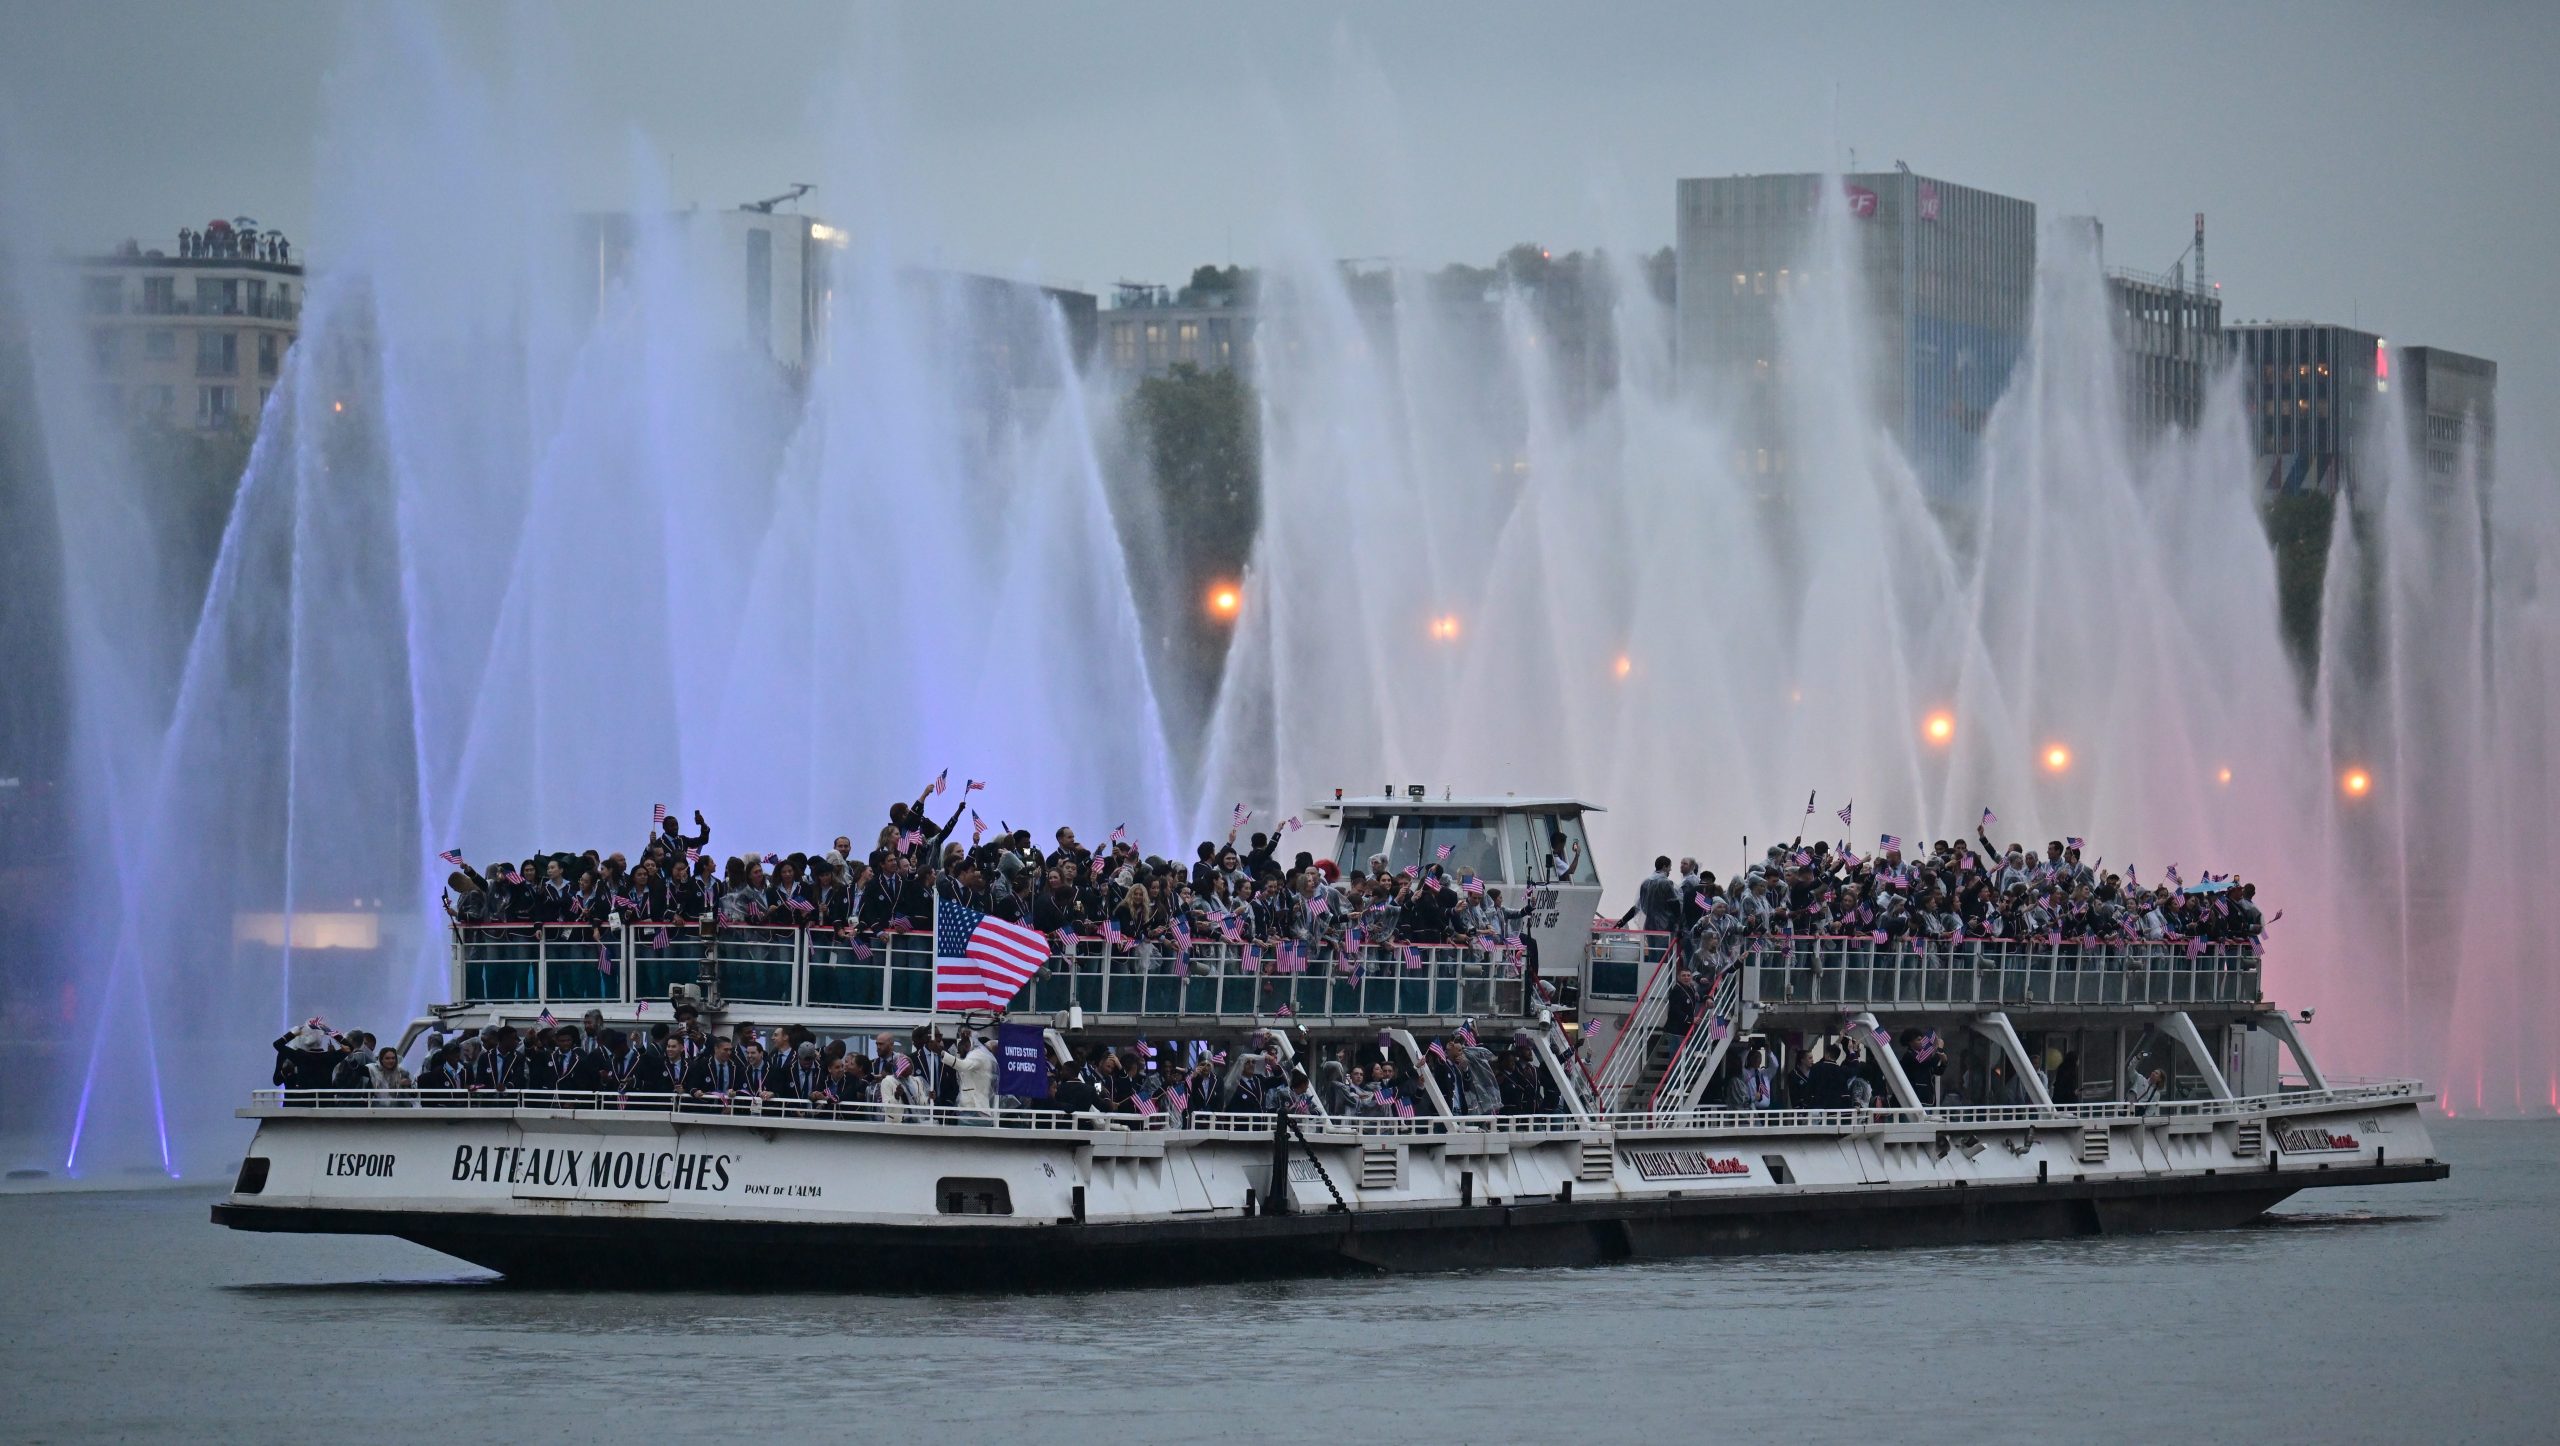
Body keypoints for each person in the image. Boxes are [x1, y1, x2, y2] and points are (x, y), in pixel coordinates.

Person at [941, 1028, 997, 1123]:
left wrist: (941, 1053)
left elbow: (962, 1065)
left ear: (967, 1046)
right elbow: (961, 1063)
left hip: (975, 1109)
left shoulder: (978, 1055)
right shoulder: (973, 1054)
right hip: (969, 1108)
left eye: (959, 1051)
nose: (959, 1053)